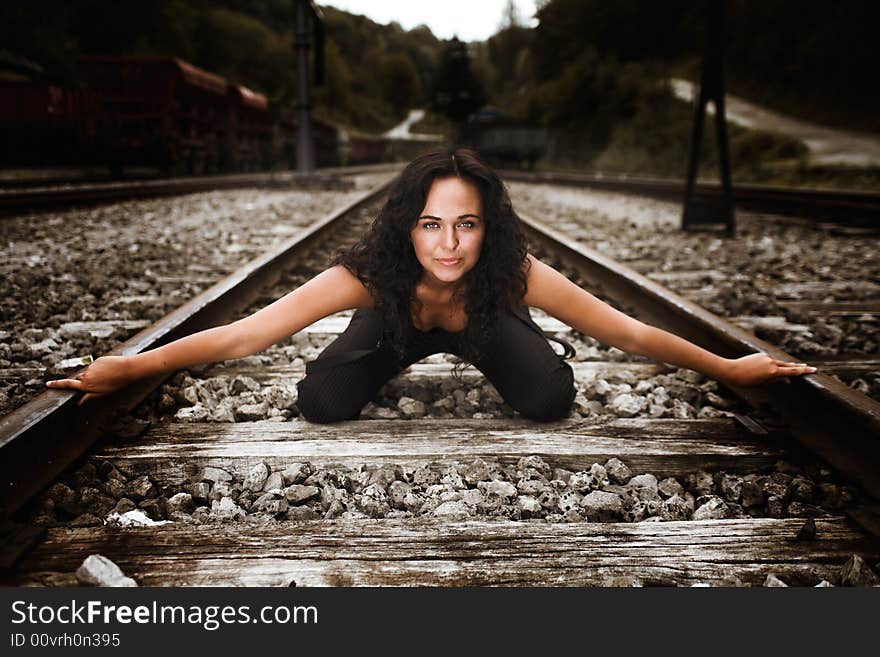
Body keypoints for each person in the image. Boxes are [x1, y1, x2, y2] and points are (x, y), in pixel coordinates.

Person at [46, 147, 817, 421]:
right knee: (320, 403)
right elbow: (249, 333)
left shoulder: (510, 272)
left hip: (483, 323)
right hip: (395, 325)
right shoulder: (369, 272)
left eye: (467, 224)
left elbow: (628, 331)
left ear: (489, 227)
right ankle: (386, 347)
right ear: (406, 227)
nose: (449, 245)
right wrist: (129, 366)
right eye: (430, 224)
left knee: (550, 401)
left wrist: (729, 367)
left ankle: (510, 345)